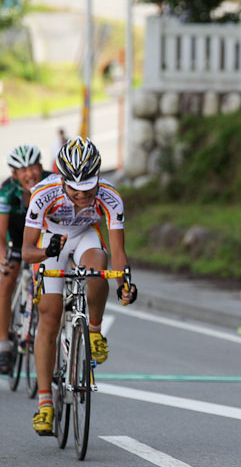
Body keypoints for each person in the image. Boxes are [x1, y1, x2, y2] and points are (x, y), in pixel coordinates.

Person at [22, 137, 138, 435]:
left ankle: (95, 332)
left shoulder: (110, 196)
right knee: (50, 314)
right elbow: (26, 251)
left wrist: (125, 281)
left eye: (89, 189)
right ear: (62, 180)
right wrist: (47, 253)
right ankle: (46, 404)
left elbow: (118, 253)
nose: (83, 196)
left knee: (98, 269)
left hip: (86, 235)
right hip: (51, 241)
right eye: (75, 191)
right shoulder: (43, 194)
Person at [0, 145, 50, 374]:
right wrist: (3, 256)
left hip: (43, 240)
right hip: (16, 239)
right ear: (14, 175)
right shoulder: (7, 192)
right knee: (7, 279)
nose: (29, 174)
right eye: (23, 170)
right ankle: (4, 344)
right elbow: (1, 234)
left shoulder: (53, 183)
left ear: (41, 167)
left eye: (33, 168)